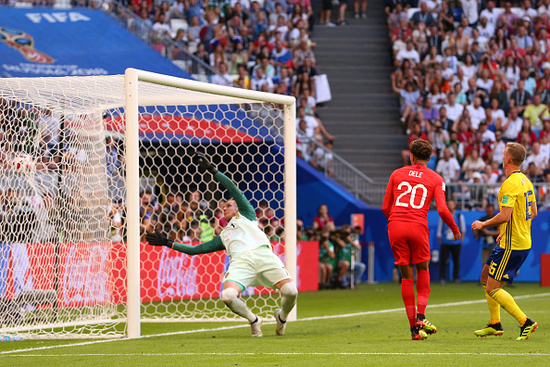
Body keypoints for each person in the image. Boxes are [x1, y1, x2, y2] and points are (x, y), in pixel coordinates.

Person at [146, 152, 298, 337]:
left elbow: (232, 188)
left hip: (264, 256)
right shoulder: (223, 236)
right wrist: (168, 243)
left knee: (291, 291)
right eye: (223, 206)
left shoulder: (247, 215)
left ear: (237, 208)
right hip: (241, 263)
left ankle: (281, 318)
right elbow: (195, 250)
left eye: (228, 205)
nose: (224, 207)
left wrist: (212, 170)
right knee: (227, 296)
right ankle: (254, 320)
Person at [382, 139, 461, 340]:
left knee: (407, 277)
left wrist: (397, 221)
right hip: (418, 226)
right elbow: (442, 209)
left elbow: (385, 207)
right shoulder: (436, 178)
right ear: (430, 158)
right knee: (423, 269)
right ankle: (421, 315)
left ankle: (414, 330)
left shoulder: (397, 173)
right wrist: (454, 228)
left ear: (411, 156)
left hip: (396, 225)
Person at [471, 142, 538, 340]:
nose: (501, 158)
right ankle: (495, 324)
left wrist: (484, 225)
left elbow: (505, 215)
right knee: (485, 276)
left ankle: (525, 322)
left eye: (503, 155)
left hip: (512, 244)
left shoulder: (510, 184)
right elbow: (533, 212)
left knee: (493, 288)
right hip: (516, 240)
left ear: (508, 159)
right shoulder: (526, 181)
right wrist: (506, 230)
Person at [437, 199, 465, 284]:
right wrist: (440, 241)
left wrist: (461, 241)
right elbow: (439, 230)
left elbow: (463, 230)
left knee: (456, 261)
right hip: (445, 242)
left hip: (456, 243)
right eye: (449, 204)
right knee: (443, 261)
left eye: (452, 204)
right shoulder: (443, 216)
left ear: (455, 205)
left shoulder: (459, 216)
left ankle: (456, 277)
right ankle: (442, 278)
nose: (450, 206)